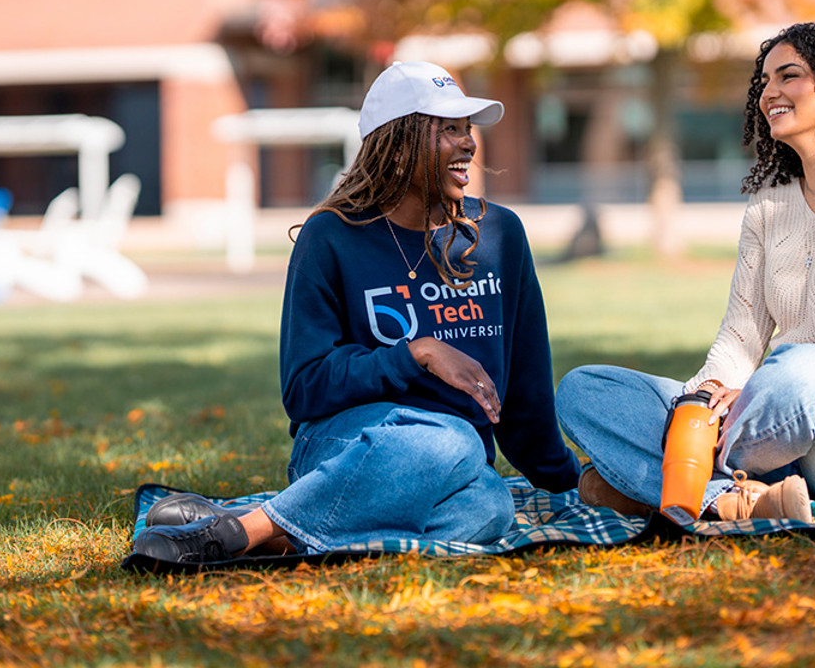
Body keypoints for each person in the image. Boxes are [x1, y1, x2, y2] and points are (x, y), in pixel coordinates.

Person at [134, 60, 580, 562]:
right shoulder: (331, 237)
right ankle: (249, 530)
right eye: (447, 130)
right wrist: (415, 354)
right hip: (344, 447)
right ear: (397, 143)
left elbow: (523, 384)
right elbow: (304, 388)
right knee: (446, 438)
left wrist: (565, 482)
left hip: (459, 460)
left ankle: (272, 531)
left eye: (467, 129)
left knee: (490, 509)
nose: (468, 144)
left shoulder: (499, 235)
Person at [556, 22, 815, 522]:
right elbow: (739, 339)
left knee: (802, 370)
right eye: (764, 82)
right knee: (586, 389)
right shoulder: (770, 202)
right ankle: (737, 499)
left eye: (788, 76)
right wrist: (701, 400)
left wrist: (736, 406)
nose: (769, 93)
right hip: (774, 426)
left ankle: (670, 481)